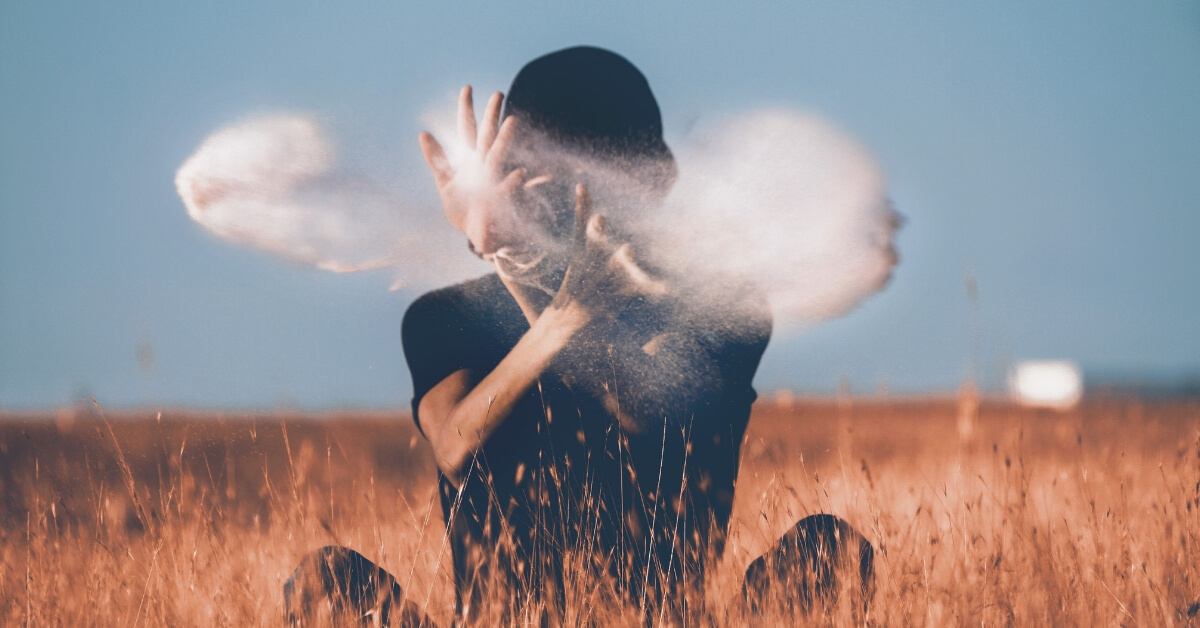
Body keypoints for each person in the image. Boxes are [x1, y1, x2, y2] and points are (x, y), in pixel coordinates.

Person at [285, 46, 873, 627]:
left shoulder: (724, 312)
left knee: (832, 551)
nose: (573, 199)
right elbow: (459, 449)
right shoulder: (445, 317)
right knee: (325, 583)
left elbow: (650, 424)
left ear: (654, 180)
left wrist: (538, 283)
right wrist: (526, 274)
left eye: (595, 176)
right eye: (541, 178)